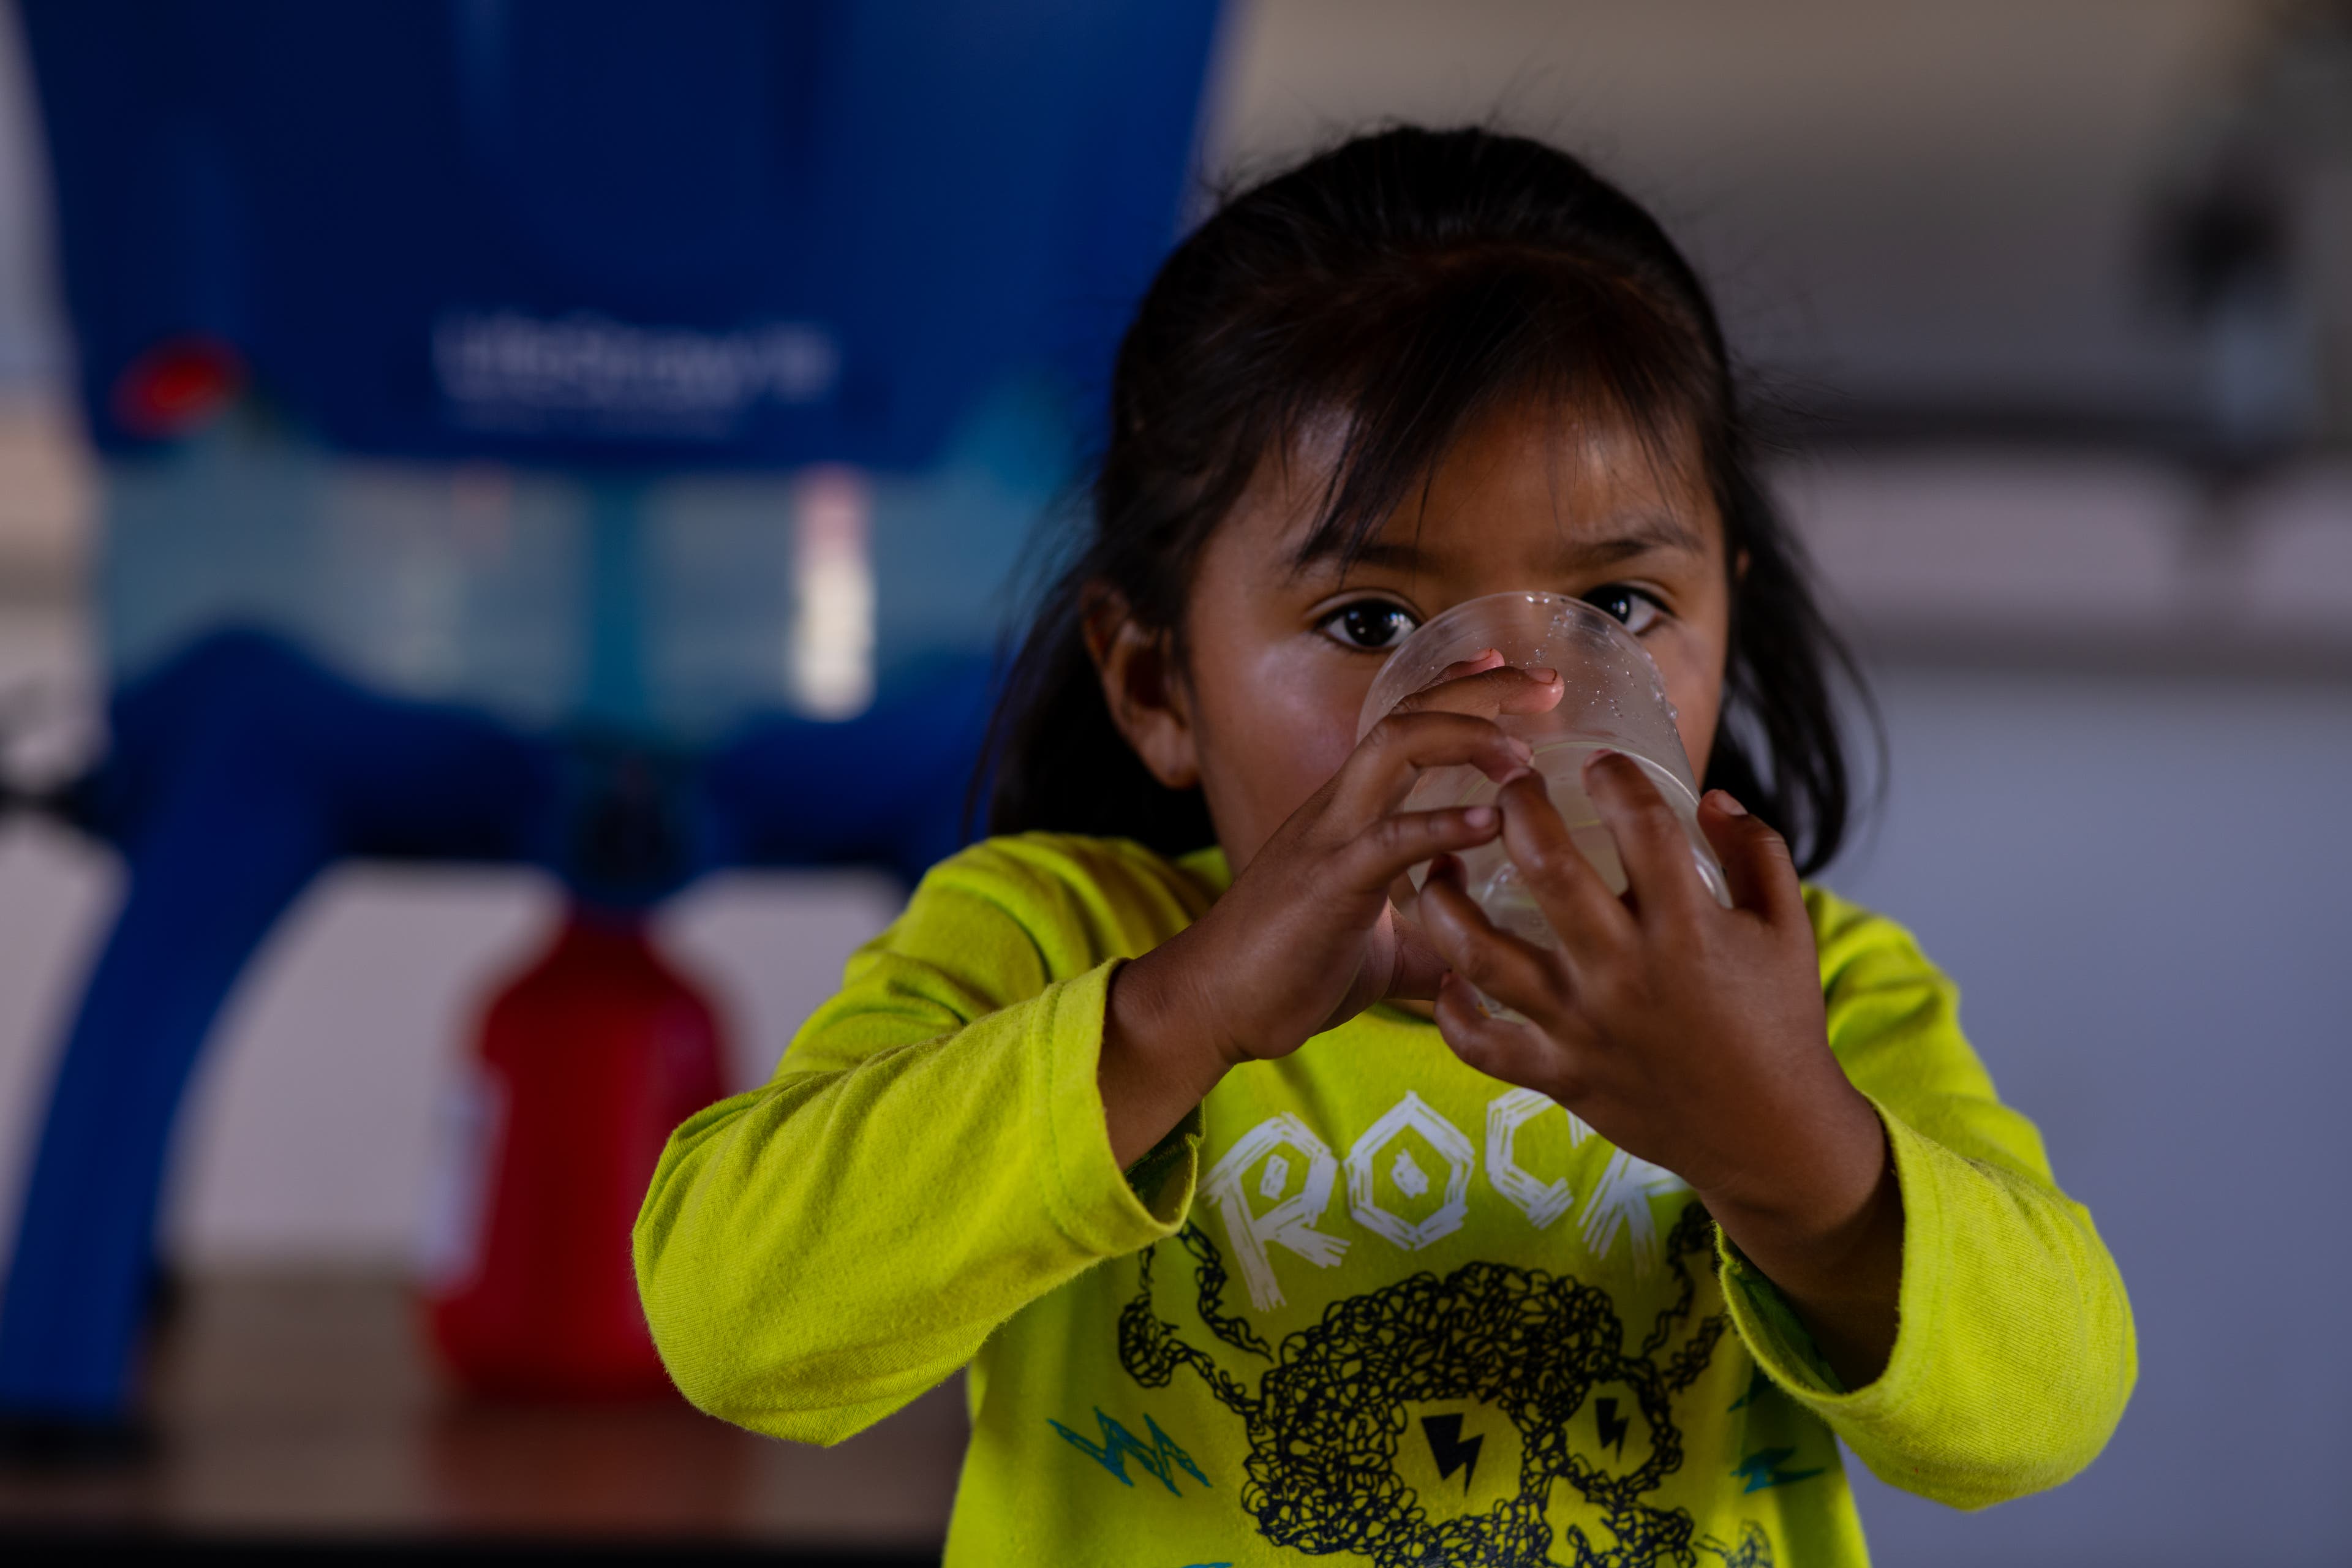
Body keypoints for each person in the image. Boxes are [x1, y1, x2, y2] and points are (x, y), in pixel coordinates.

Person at [633, 127, 2135, 1567]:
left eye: (1616, 606)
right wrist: (1184, 1012)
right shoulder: (1054, 944)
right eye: (1373, 623)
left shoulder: (1803, 985)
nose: (1518, 695)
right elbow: (734, 1321)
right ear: (1158, 683)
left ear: (1722, 630)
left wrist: (1792, 1150)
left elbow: (2044, 1413)